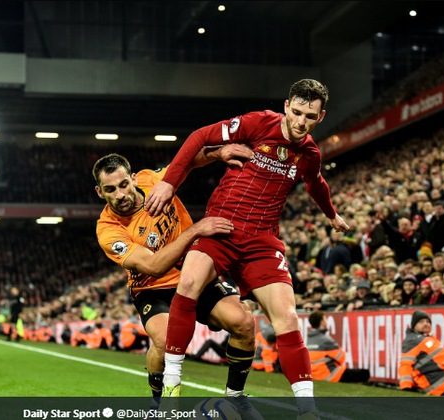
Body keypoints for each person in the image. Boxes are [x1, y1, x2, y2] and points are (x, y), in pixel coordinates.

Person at [145, 79, 349, 416]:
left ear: (320, 117)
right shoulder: (259, 122)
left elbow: (315, 183)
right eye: (296, 112)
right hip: (221, 226)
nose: (300, 122)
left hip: (262, 240)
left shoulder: (309, 152)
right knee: (189, 283)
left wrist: (332, 215)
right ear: (287, 106)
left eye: (309, 117)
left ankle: (307, 409)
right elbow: (200, 136)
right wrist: (169, 183)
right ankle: (172, 382)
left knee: (287, 317)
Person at [93, 148, 261, 415]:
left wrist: (220, 152)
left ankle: (235, 396)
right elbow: (154, 266)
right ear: (100, 192)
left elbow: (189, 160)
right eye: (110, 189)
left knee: (243, 322)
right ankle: (158, 404)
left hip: (194, 273)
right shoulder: (108, 230)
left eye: (124, 184)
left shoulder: (152, 180)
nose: (120, 195)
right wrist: (195, 230)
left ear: (134, 179)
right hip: (153, 288)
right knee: (166, 339)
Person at [307, 311, 370, 383]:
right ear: (322, 322)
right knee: (364, 373)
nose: (327, 321)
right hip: (329, 375)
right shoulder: (326, 340)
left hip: (314, 375)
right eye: (325, 319)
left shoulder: (309, 339)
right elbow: (342, 358)